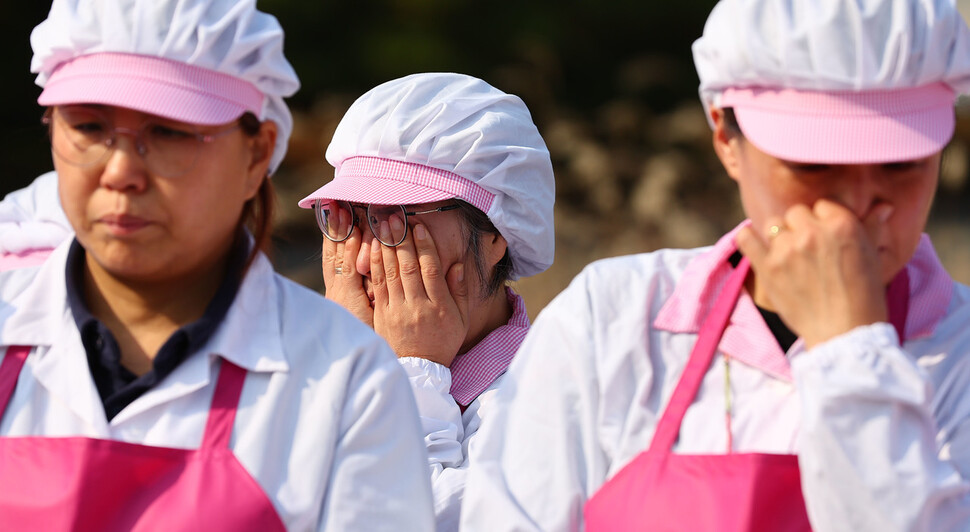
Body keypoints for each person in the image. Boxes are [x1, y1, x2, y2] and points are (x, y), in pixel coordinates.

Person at [461, 0, 970, 530]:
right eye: (813, 163)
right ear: (726, 140)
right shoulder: (611, 320)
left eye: (900, 162)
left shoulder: (959, 350)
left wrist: (850, 351)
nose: (858, 202)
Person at [0, 0, 435, 530]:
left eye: (169, 133)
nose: (120, 171)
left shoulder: (344, 381)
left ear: (257, 155)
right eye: (88, 127)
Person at [296, 72, 555, 530]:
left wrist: (408, 374)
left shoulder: (546, 403)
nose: (362, 259)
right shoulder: (287, 362)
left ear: (496, 234)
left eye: (395, 220)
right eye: (345, 218)